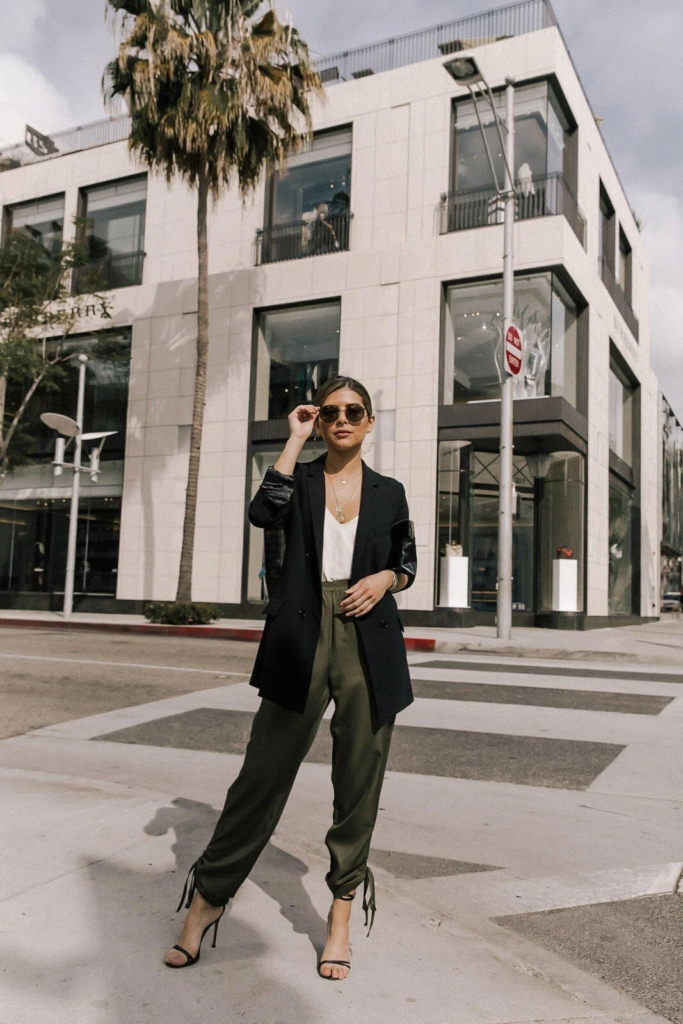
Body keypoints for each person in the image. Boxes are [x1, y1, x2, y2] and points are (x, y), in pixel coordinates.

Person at [164, 375, 417, 980]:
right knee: (262, 772)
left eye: (354, 411)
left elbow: (406, 562)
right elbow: (261, 513)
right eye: (330, 412)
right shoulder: (299, 478)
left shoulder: (390, 491)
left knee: (359, 782)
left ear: (370, 421)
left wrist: (385, 581)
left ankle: (339, 917)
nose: (341, 419)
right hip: (299, 637)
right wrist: (292, 439)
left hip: (368, 641)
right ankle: (205, 904)